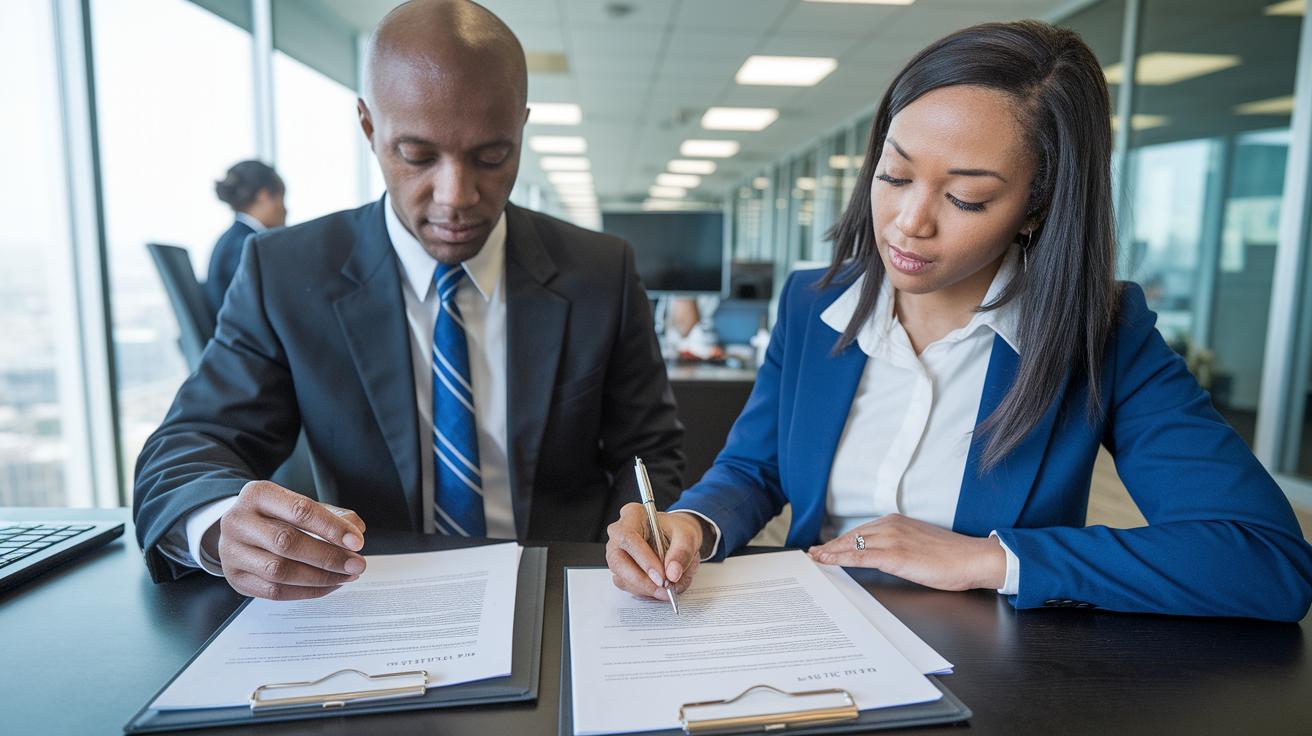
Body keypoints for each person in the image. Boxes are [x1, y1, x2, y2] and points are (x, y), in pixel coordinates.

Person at [605, 20, 1312, 621]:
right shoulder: (812, 304)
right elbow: (755, 468)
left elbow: (1263, 558)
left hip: (992, 665)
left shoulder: (1102, 331)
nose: (910, 224)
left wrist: (989, 558)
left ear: (1037, 208)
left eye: (967, 198)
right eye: (895, 174)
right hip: (810, 630)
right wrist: (690, 524)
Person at [134, 0, 684, 601]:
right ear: (370, 128)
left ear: (521, 127)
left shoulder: (600, 271)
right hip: (366, 600)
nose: (457, 195)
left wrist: (639, 523)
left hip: (560, 593)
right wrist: (219, 526)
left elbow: (650, 450)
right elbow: (187, 447)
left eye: (492, 156)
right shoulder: (285, 272)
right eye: (418, 156)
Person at [206, 160, 286, 315]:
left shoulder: (234, 239)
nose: (285, 209)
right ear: (264, 196)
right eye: (281, 199)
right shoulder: (248, 245)